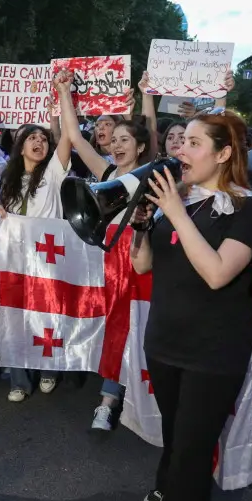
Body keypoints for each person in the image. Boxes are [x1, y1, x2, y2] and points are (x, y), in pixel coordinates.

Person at [127, 111, 252, 501]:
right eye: (179, 141)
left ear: (224, 153)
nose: (179, 151)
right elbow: (142, 265)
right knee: (176, 433)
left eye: (191, 143)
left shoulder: (251, 210)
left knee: (192, 456)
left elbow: (216, 273)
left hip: (213, 355)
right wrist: (142, 224)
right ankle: (167, 484)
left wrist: (175, 210)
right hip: (164, 342)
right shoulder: (176, 204)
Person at [57, 69, 153, 432]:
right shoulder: (106, 172)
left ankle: (136, 398)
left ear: (141, 146)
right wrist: (65, 92)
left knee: (140, 329)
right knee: (115, 327)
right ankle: (108, 400)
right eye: (113, 139)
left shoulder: (154, 176)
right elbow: (76, 139)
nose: (116, 143)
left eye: (125, 138)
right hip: (110, 264)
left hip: (142, 261)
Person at [0, 122, 74, 402]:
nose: (39, 142)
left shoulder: (53, 173)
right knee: (14, 316)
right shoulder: (7, 177)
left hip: (46, 259)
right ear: (21, 144)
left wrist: (61, 105)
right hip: (15, 259)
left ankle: (47, 369)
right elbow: (0, 214)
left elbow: (67, 139)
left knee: (46, 314)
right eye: (32, 138)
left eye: (44, 139)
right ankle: (19, 380)